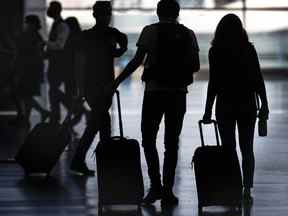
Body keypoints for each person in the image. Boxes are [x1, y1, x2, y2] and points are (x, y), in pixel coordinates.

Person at [113, 0, 200, 206]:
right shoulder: (188, 34)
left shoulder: (149, 31)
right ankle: (168, 191)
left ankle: (155, 187)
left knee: (148, 139)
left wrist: (116, 81)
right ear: (177, 13)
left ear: (158, 12)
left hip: (154, 93)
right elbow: (195, 66)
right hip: (178, 94)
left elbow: (137, 61)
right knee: (172, 143)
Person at [202, 14, 269, 203]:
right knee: (247, 148)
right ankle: (246, 189)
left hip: (225, 105)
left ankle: (232, 186)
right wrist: (265, 104)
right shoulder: (248, 49)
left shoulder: (215, 51)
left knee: (228, 149)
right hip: (247, 104)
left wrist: (208, 109)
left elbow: (213, 82)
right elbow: (258, 78)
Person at [70, 1, 128, 175]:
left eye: (107, 13)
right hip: (98, 86)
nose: (106, 17)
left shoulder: (90, 36)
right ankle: (102, 162)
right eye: (105, 14)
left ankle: (87, 161)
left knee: (99, 123)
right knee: (101, 122)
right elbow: (80, 63)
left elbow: (79, 64)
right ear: (96, 15)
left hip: (100, 86)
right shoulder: (106, 35)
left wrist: (81, 90)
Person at [13, 15, 51, 126]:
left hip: (29, 69)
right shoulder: (36, 36)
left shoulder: (31, 36)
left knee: (24, 95)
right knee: (25, 95)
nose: (26, 25)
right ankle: (38, 114)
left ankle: (30, 117)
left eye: (28, 23)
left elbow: (26, 52)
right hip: (31, 69)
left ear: (32, 24)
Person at [46, 1, 70, 124]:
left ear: (56, 10)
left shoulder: (62, 26)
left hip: (58, 64)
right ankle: (55, 115)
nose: (48, 9)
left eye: (50, 8)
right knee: (53, 90)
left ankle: (75, 109)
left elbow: (60, 45)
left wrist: (46, 44)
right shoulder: (56, 24)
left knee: (53, 90)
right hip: (54, 63)